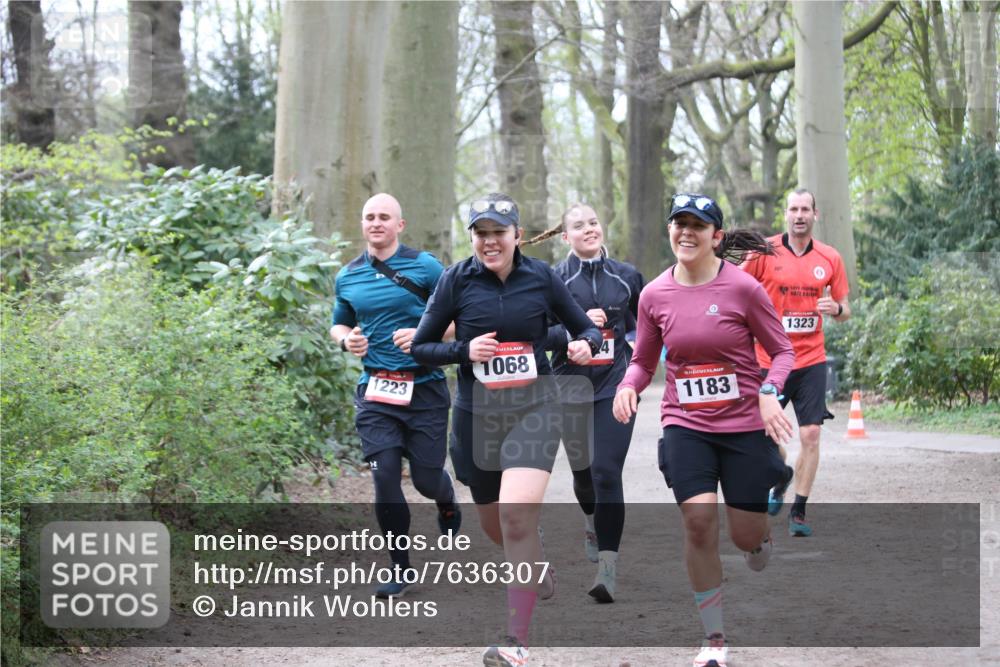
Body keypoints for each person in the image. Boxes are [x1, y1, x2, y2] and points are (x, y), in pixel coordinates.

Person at [411, 192, 603, 667]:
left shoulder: (541, 278)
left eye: (499, 232)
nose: (490, 241)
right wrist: (464, 351)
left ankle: (515, 643)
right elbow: (420, 346)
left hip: (535, 408)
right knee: (498, 527)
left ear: (517, 235)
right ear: (473, 237)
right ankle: (536, 566)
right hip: (478, 417)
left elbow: (587, 330)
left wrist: (583, 346)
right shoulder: (456, 280)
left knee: (518, 516)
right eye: (481, 233)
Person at [613, 193, 795, 667]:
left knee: (743, 535)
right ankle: (714, 640)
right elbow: (643, 361)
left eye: (698, 225)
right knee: (697, 523)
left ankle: (761, 535)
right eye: (679, 224)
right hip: (686, 423)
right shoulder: (654, 295)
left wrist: (769, 392)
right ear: (671, 231)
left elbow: (783, 353)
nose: (686, 233)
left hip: (743, 426)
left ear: (716, 236)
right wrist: (628, 386)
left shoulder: (742, 289)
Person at [330, 193, 461, 599]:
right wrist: (346, 340)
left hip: (425, 391)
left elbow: (459, 320)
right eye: (369, 216)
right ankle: (400, 569)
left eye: (384, 217)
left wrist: (427, 335)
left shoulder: (425, 267)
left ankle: (446, 499)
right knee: (384, 478)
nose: (376, 223)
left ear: (400, 225)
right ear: (362, 223)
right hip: (376, 392)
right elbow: (339, 323)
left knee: (424, 480)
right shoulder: (347, 276)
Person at [541, 203, 644, 603]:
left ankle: (607, 566)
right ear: (565, 237)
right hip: (569, 385)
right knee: (584, 475)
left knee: (605, 472)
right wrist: (576, 330)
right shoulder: (552, 280)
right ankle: (590, 520)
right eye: (578, 226)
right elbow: (536, 332)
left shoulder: (628, 275)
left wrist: (635, 363)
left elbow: (643, 327)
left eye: (594, 222)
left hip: (615, 385)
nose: (589, 229)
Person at [741, 188, 851, 537]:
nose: (799, 215)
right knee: (765, 435)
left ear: (815, 215)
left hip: (811, 360)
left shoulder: (830, 257)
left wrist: (836, 309)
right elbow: (736, 288)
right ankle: (779, 476)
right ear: (785, 215)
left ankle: (799, 513)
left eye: (805, 209)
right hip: (768, 359)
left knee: (812, 433)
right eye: (793, 209)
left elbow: (846, 310)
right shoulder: (764, 252)